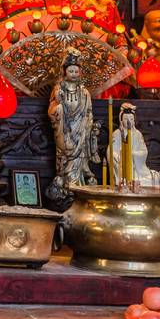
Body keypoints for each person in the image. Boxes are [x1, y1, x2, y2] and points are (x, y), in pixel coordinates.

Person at [48, 53, 97, 209]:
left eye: (77, 71)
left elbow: (89, 112)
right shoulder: (58, 89)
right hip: (64, 131)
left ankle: (77, 187)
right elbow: (51, 110)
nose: (74, 74)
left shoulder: (84, 92)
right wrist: (59, 105)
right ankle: (64, 186)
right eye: (71, 71)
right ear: (64, 72)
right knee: (64, 156)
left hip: (80, 131)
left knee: (79, 159)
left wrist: (87, 125)